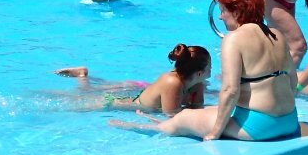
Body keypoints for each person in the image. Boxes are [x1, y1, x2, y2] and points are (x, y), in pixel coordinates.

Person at [112, 0, 308, 141]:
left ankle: (149, 127)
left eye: (223, 11)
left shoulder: (233, 39)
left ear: (237, 11)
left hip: (260, 127)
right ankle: (161, 122)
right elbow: (292, 81)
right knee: (208, 111)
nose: (220, 17)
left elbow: (230, 90)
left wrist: (215, 132)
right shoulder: (276, 34)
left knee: (184, 117)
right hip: (289, 121)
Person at [55, 43, 210, 113]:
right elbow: (172, 115)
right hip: (113, 103)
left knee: (86, 93)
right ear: (199, 73)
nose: (211, 69)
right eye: (209, 66)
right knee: (76, 102)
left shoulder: (196, 83)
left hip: (135, 99)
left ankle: (82, 76)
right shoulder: (173, 82)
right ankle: (82, 75)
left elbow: (197, 108)